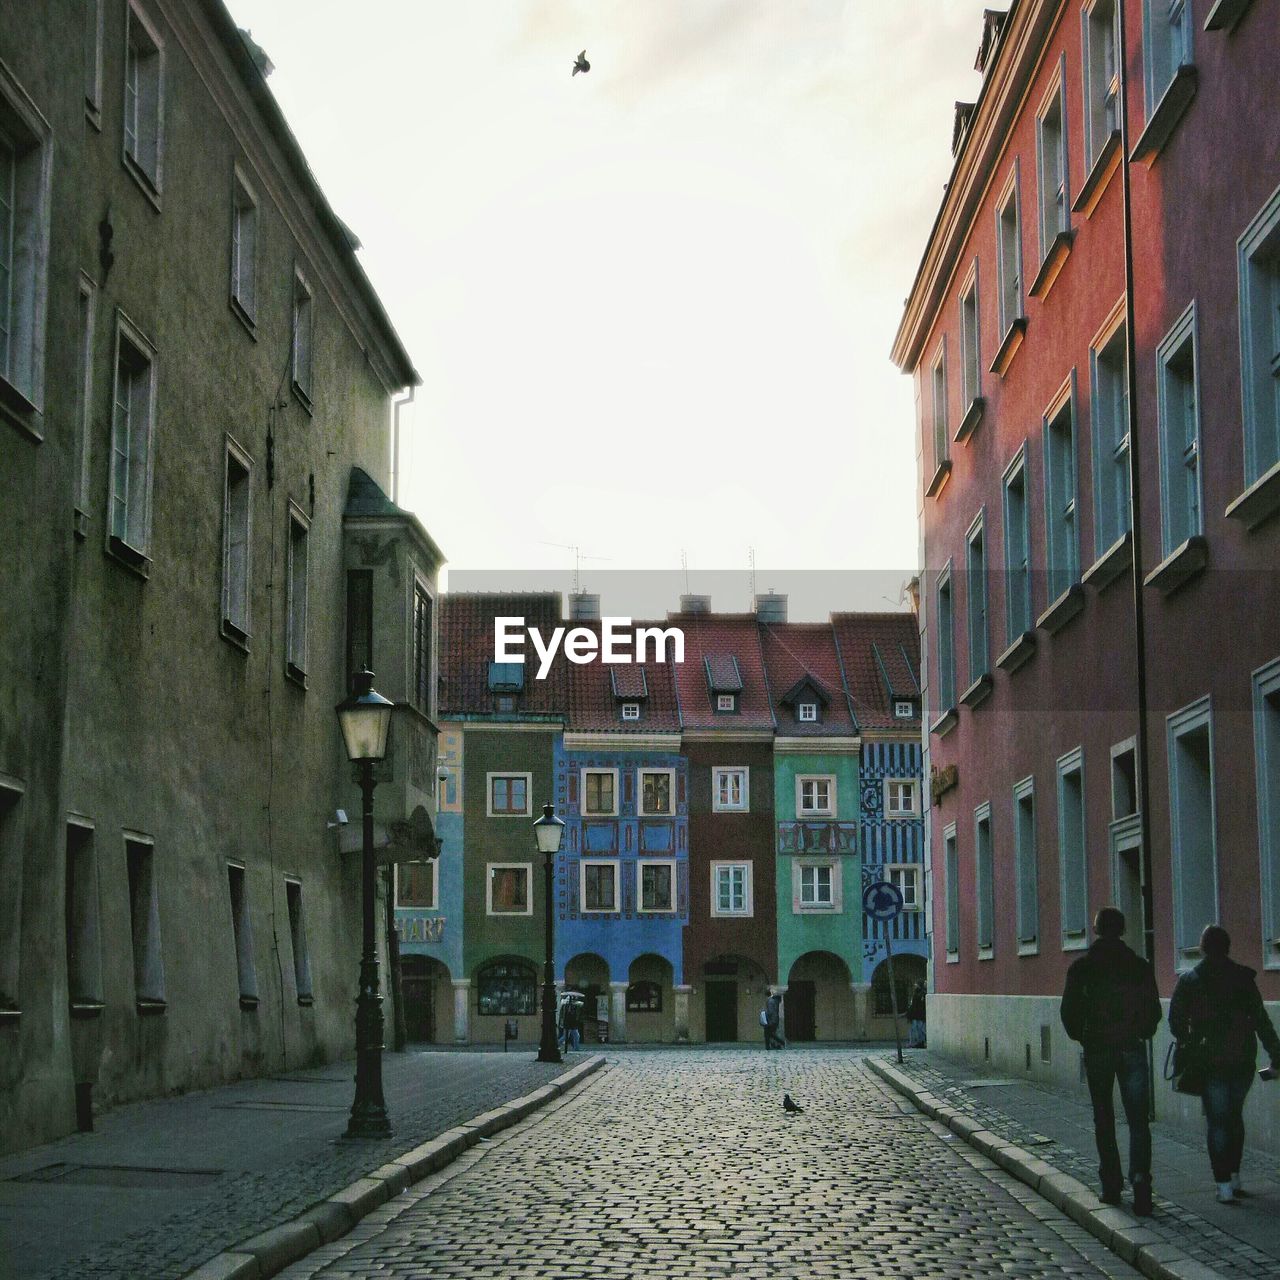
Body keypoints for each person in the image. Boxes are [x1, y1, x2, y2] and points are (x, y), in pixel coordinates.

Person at [1060, 906, 1161, 1216]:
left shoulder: (1083, 968)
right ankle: (1141, 1184)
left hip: (1099, 1048)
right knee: (1138, 1121)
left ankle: (1111, 1185)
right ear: (1123, 929)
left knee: (1103, 1118)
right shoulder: (1139, 967)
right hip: (1131, 1047)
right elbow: (1153, 1011)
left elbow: (1069, 1012)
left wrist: (1084, 1036)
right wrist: (1141, 1031)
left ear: (1097, 930)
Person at [1169, 924, 1280, 1203]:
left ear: (1204, 947)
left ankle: (1223, 1187)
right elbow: (1260, 1020)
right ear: (1228, 947)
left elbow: (1175, 1021)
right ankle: (1234, 1175)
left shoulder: (1191, 980)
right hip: (1242, 1057)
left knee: (1217, 1122)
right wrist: (1276, 1053)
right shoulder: (1243, 977)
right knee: (1234, 1117)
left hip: (1210, 1058)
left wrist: (1190, 1039)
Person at [907, 983, 927, 1048]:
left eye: (916, 985)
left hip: (918, 1016)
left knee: (919, 1030)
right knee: (917, 1029)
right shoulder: (917, 995)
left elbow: (915, 1006)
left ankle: (919, 1042)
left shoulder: (921, 995)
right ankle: (918, 1042)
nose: (915, 986)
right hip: (916, 1016)